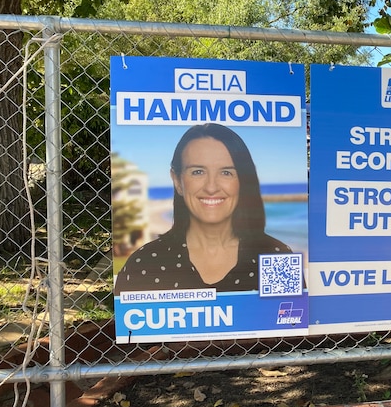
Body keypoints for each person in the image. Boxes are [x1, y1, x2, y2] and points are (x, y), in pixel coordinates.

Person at [115, 123, 292, 294]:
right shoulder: (143, 264)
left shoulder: (276, 257)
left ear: (243, 181)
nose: (211, 187)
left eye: (226, 172)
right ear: (177, 181)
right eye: (198, 171)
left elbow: (290, 320)